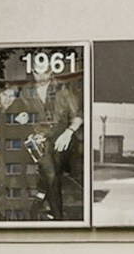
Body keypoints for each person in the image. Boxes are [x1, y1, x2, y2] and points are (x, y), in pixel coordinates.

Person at [5, 55, 84, 219]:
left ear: (51, 71)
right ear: (32, 71)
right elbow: (17, 111)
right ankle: (57, 217)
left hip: (61, 137)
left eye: (45, 72)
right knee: (51, 174)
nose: (41, 77)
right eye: (37, 72)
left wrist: (69, 132)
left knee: (53, 173)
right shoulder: (27, 90)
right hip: (39, 138)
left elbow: (78, 116)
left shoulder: (62, 89)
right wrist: (21, 116)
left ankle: (39, 199)